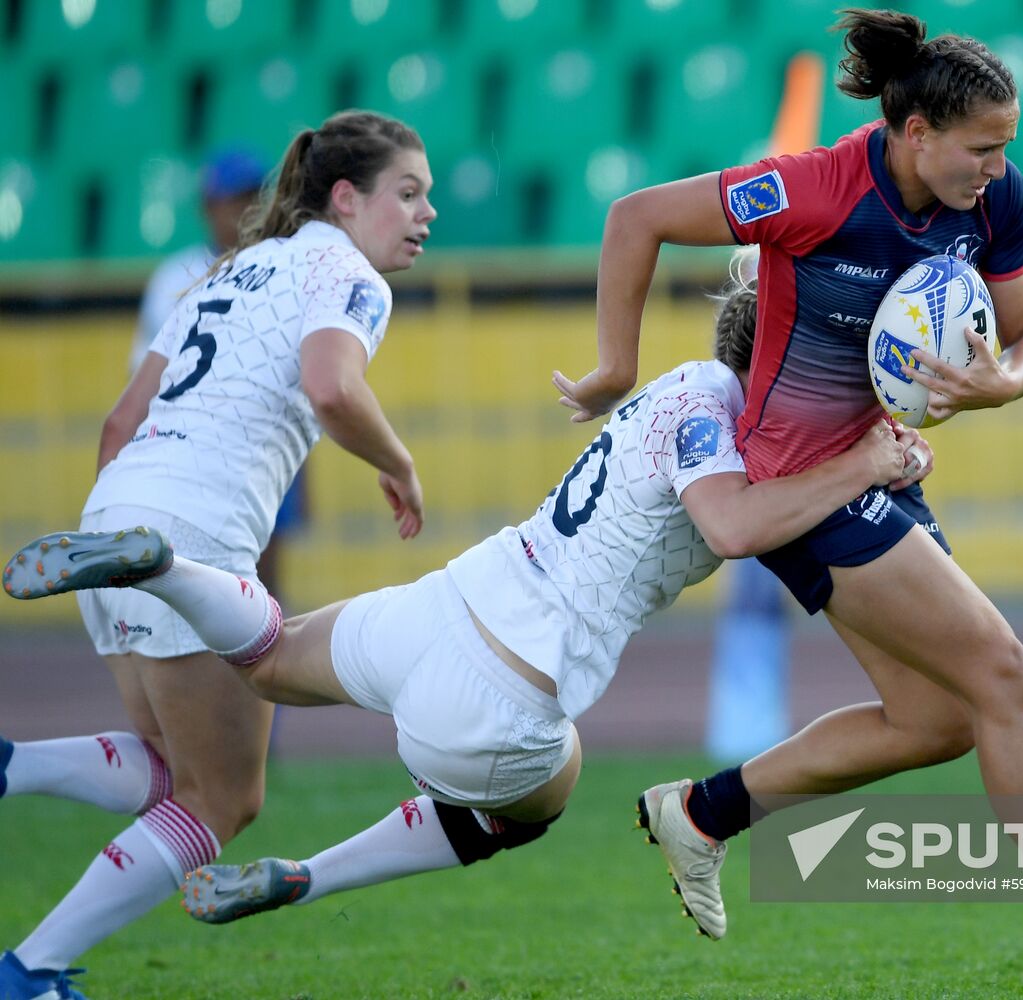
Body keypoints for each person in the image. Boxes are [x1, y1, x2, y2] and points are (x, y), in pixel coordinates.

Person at [554, 9, 1023, 993]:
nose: (995, 168)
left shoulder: (993, 199)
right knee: (1004, 678)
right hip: (804, 488)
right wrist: (610, 366)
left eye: (1005, 147)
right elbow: (636, 218)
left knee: (937, 720)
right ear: (914, 134)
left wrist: (1005, 381)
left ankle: (702, 812)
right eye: (980, 148)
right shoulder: (814, 189)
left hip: (880, 471)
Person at [2, 257, 923, 940]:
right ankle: (309, 879)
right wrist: (873, 461)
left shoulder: (678, 390)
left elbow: (765, 495)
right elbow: (732, 526)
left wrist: (864, 454)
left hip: (441, 605)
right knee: (534, 804)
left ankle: (164, 567)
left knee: (272, 659)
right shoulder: (721, 421)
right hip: (506, 696)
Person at [0, 110, 433, 1000]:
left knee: (171, 766)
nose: (426, 214)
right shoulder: (348, 274)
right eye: (409, 193)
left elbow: (121, 421)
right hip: (194, 533)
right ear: (346, 199)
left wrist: (118, 511)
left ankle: (15, 767)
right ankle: (30, 972)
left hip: (115, 504)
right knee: (224, 799)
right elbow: (330, 386)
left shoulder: (223, 271)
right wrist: (399, 463)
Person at [129, 147, 310, 596]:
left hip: (267, 433)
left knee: (266, 571)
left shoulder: (286, 261)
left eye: (255, 196)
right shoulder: (176, 276)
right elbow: (145, 375)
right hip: (195, 439)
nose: (248, 208)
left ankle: (266, 654)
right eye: (235, 198)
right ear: (208, 206)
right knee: (200, 574)